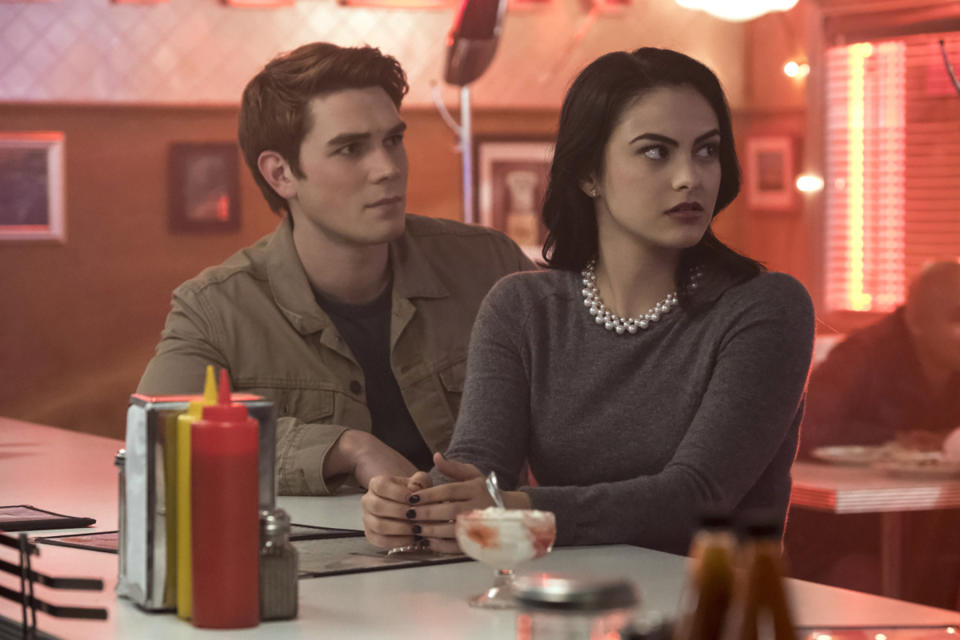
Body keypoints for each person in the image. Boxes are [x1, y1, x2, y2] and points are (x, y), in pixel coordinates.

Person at [361, 48, 815, 556]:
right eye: (656, 152)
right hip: (566, 606)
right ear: (588, 174)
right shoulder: (523, 307)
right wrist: (415, 508)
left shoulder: (765, 307)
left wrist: (517, 511)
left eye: (706, 151)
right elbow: (477, 469)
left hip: (715, 613)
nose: (691, 176)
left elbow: (699, 498)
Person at [137, 43, 533, 495]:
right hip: (317, 564)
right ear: (281, 174)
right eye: (350, 149)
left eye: (393, 140)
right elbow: (157, 443)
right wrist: (344, 448)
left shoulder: (490, 266)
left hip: (484, 553)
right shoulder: (217, 308)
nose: (387, 168)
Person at [787, 259, 960, 608]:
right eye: (958, 318)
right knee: (864, 579)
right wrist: (897, 436)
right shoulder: (863, 354)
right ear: (916, 320)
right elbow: (807, 426)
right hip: (846, 534)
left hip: (931, 532)